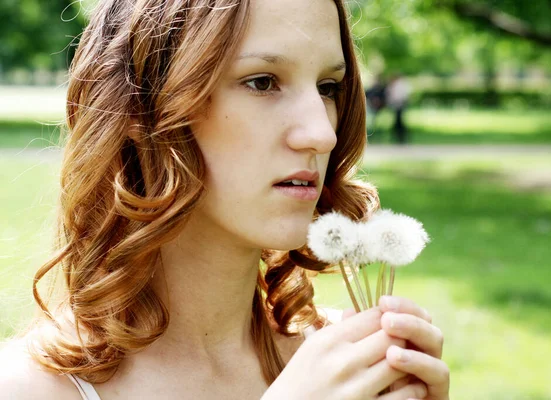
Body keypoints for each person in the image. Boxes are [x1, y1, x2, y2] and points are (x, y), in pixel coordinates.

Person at [0, 0, 449, 399]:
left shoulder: (353, 370)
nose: (321, 132)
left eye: (328, 87)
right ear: (143, 108)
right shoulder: (28, 387)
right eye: (262, 82)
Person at [386, 74, 412, 144]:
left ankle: (401, 137)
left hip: (400, 104)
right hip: (396, 105)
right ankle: (399, 137)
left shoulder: (400, 85)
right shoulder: (393, 85)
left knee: (399, 121)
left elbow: (401, 96)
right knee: (398, 121)